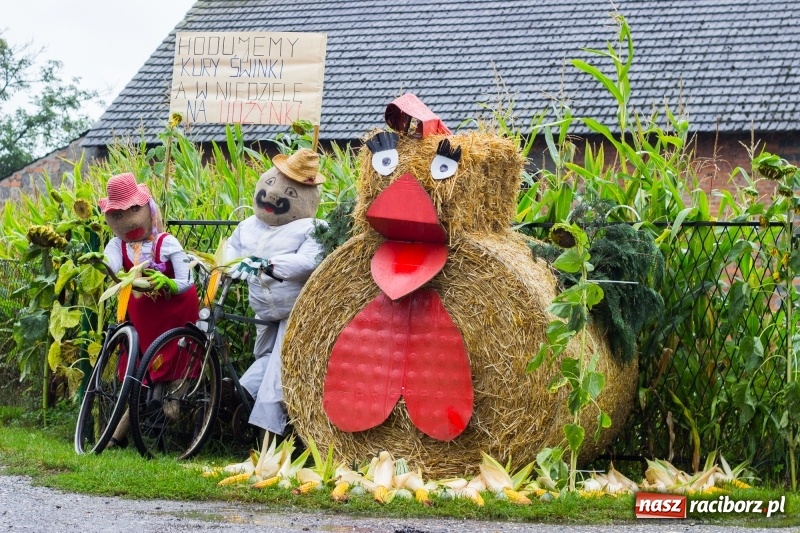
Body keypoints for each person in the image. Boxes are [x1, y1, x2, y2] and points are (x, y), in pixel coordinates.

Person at [84, 172, 199, 448]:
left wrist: (168, 282)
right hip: (144, 319)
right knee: (140, 371)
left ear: (148, 209)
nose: (128, 221)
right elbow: (112, 266)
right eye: (117, 215)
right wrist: (101, 262)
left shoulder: (166, 243)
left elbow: (187, 281)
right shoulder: (117, 245)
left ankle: (170, 406)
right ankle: (118, 435)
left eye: (134, 210)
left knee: (175, 362)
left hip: (174, 315)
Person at [227, 148, 326, 441]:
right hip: (263, 309)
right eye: (269, 184)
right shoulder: (248, 225)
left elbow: (308, 262)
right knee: (266, 356)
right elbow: (232, 249)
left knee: (280, 366)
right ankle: (239, 392)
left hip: (294, 309)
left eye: (289, 193)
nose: (272, 195)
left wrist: (268, 265)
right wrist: (228, 267)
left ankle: (268, 433)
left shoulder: (312, 228)